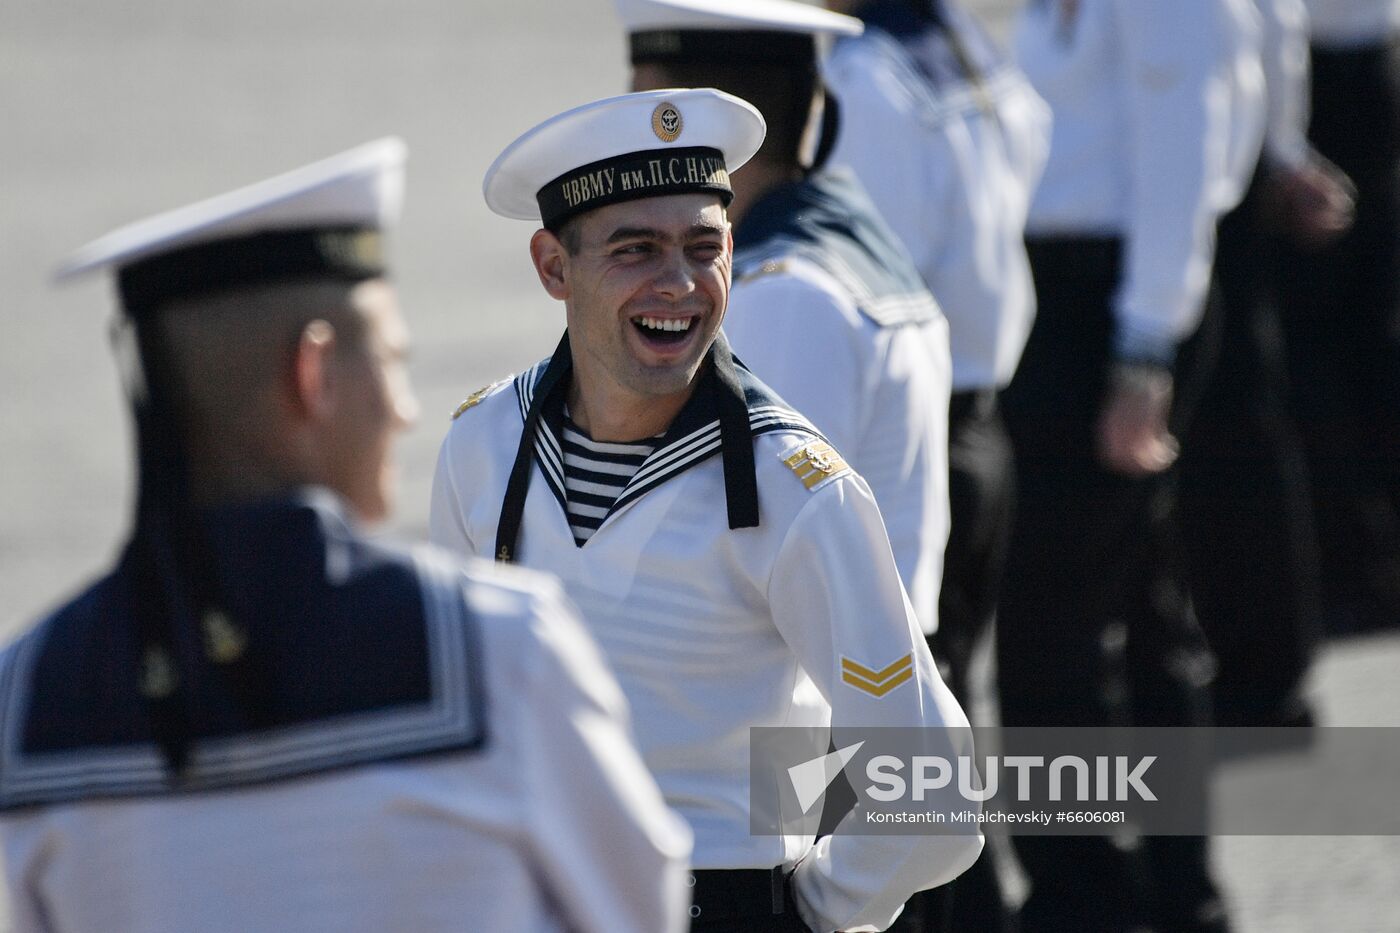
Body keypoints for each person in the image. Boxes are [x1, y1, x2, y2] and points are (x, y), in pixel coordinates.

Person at [0, 139, 692, 933]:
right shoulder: (500, 648)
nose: (404, 409)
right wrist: (830, 897)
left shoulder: (31, 694)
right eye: (393, 362)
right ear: (315, 375)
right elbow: (643, 908)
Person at [430, 88, 982, 932]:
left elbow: (931, 791)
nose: (680, 284)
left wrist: (811, 911)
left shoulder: (800, 490)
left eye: (704, 246)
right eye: (636, 249)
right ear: (552, 266)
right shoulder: (481, 447)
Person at [1003, 1, 1268, 930]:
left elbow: (1181, 155)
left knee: (1052, 620)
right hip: (1067, 292)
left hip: (1110, 307)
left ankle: (1087, 897)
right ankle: (1170, 886)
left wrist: (1144, 352)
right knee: (1138, 611)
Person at [618, 0, 954, 668]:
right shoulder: (834, 244)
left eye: (638, 116)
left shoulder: (784, 298)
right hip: (861, 682)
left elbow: (750, 556)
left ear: (682, 133)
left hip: (819, 716)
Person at [815, 2, 1052, 928]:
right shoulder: (952, 46)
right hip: (977, 414)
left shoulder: (863, 78)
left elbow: (874, 277)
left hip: (917, 424)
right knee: (933, 716)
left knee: (889, 741)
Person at [1278, 0, 1400, 632]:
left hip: (1333, 71)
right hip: (1327, 67)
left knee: (1335, 346)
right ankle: (1352, 562)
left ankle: (1355, 568)